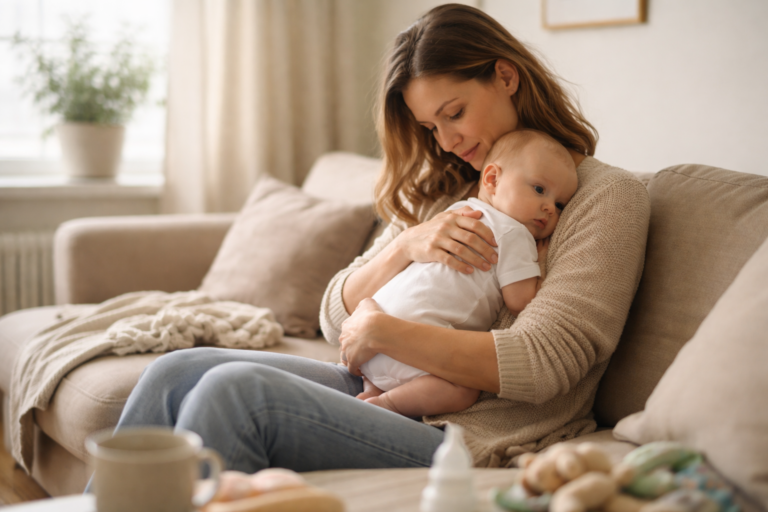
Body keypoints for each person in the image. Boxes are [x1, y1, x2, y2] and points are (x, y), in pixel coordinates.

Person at [101, 3, 649, 478]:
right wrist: (405, 246)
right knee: (175, 371)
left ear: (505, 76)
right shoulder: (449, 190)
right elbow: (336, 322)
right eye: (432, 126)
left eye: (454, 113)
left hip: (467, 432)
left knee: (236, 393)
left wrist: (384, 328)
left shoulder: (608, 200)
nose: (449, 140)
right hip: (377, 383)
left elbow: (543, 362)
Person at [358, 130, 578, 417]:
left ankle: (371, 389)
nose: (550, 208)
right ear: (492, 179)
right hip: (415, 348)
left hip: (373, 339)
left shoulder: (458, 211)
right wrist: (542, 263)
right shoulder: (515, 233)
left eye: (560, 204)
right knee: (463, 390)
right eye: (539, 189)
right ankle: (387, 405)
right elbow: (520, 301)